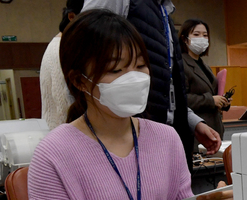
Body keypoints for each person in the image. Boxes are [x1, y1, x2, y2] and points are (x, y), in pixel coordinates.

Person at [28, 10, 233, 200]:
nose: (134, 78)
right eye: (116, 70)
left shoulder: (166, 138)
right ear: (80, 81)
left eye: (140, 66)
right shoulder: (53, 154)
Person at [80, 0, 221, 169]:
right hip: (125, 140)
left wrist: (191, 122)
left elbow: (169, 89)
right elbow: (84, 51)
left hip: (167, 139)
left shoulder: (164, 12)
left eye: (141, 65)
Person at [179, 19, 229, 152]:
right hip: (197, 132)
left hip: (214, 127)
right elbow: (181, 99)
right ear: (185, 39)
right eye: (196, 34)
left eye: (205, 35)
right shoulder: (181, 63)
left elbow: (212, 93)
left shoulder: (205, 66)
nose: (202, 38)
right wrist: (211, 100)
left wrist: (222, 101)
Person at [40, 0, 85, 130]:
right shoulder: (62, 48)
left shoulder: (63, 44)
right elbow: (64, 105)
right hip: (67, 136)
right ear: (72, 17)